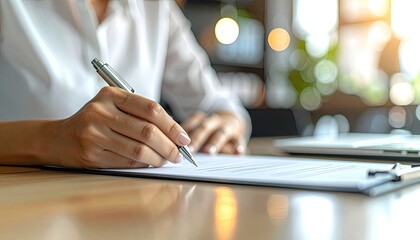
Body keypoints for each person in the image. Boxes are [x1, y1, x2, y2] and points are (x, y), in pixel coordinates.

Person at [0, 0, 250, 168]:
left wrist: (227, 122)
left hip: (131, 207)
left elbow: (218, 101)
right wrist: (51, 139)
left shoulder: (156, 7)